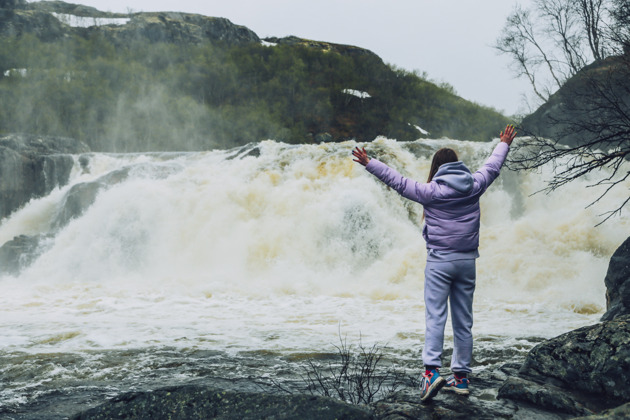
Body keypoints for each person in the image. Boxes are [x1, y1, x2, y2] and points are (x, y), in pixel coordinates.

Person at [352, 125, 517, 402]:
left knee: (435, 317)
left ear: (437, 168)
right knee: (463, 322)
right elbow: (492, 166)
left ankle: (431, 374)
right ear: (457, 166)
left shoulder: (430, 191)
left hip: (440, 262)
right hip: (466, 262)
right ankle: (461, 379)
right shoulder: (474, 185)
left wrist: (370, 163)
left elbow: (399, 182)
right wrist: (504, 144)